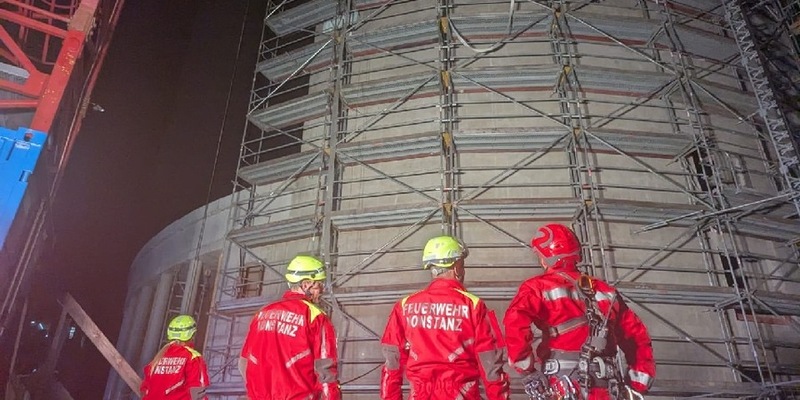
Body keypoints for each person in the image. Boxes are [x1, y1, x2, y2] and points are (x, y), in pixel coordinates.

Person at [503, 223, 655, 400]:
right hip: (608, 388)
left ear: (545, 257)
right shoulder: (607, 291)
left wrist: (527, 370)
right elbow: (637, 337)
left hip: (562, 385)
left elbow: (514, 322)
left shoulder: (537, 287)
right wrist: (638, 383)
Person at [380, 235, 510, 400]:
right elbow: (491, 365)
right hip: (462, 394)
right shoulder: (474, 306)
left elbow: (392, 364)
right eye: (462, 264)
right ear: (456, 267)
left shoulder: (404, 306)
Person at [239, 255, 341, 400]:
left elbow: (244, 363)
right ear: (306, 284)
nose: (322, 290)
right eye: (319, 284)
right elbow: (326, 372)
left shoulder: (262, 314)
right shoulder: (316, 317)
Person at [140, 314, 209, 400]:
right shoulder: (192, 357)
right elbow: (197, 390)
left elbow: (145, 389)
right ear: (192, 334)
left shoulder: (158, 358)